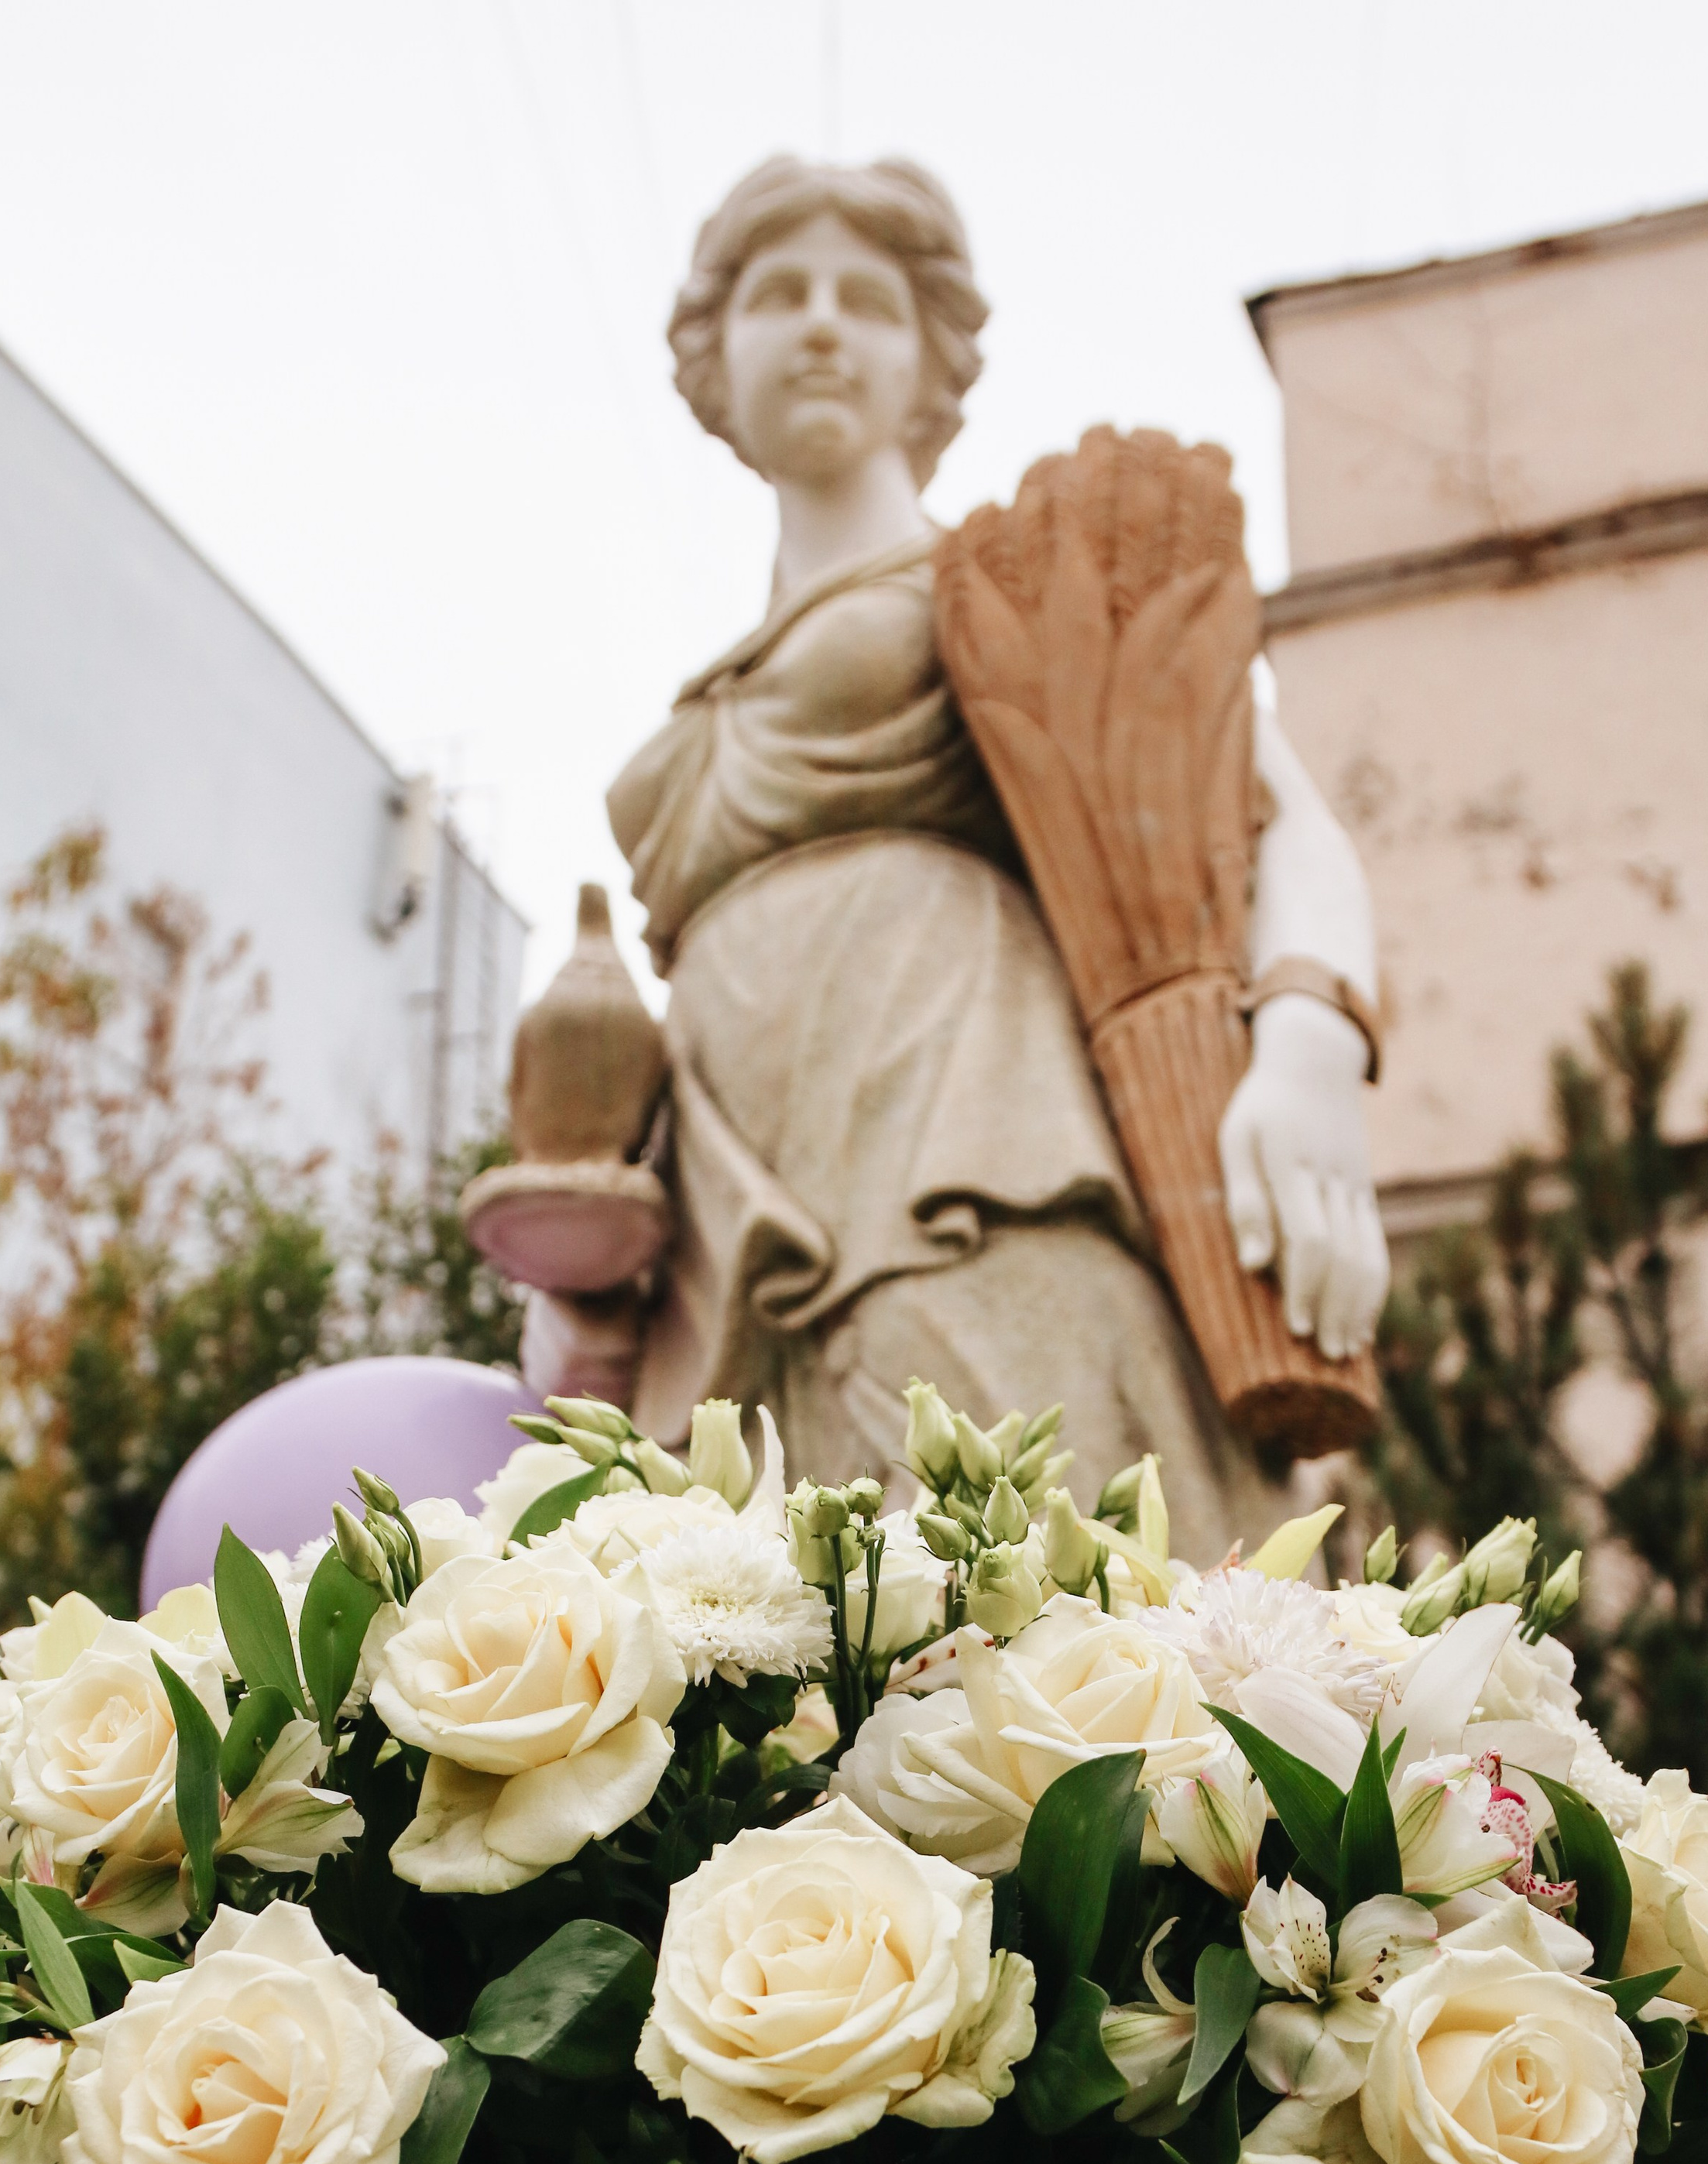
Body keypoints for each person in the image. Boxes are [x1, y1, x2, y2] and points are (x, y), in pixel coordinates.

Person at [547, 156, 1387, 1542]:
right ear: (712, 355)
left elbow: (1277, 812)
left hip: (970, 1175)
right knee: (757, 1706)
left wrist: (1310, 1042)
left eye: (867, 302)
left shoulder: (1014, 578)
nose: (821, 325)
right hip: (721, 1258)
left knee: (1023, 1642)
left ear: (934, 368)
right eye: (779, 295)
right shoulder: (708, 698)